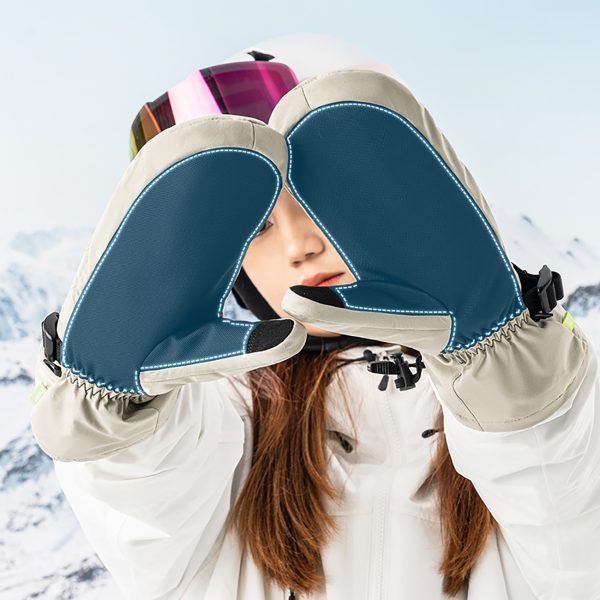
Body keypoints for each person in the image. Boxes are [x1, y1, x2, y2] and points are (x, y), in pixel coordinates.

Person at [29, 34, 600, 600]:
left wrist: (515, 384)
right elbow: (147, 513)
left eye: (318, 201)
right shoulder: (223, 423)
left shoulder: (541, 399)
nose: (299, 246)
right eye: (257, 226)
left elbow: (575, 536)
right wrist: (110, 417)